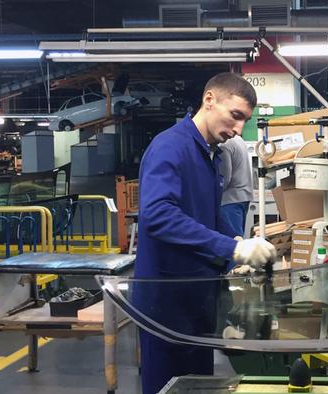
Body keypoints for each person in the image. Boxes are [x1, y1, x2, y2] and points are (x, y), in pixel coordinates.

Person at [134, 72, 277, 394]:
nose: (239, 129)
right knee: (168, 388)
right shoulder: (170, 146)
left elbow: (210, 216)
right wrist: (231, 249)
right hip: (166, 305)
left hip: (197, 301)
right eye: (236, 116)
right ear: (209, 100)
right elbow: (157, 215)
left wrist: (239, 241)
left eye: (245, 121)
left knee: (198, 387)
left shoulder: (211, 154)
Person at [219, 134, 253, 238]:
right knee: (238, 237)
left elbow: (224, 179)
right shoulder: (238, 139)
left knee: (233, 242)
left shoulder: (223, 145)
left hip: (230, 199)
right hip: (243, 196)